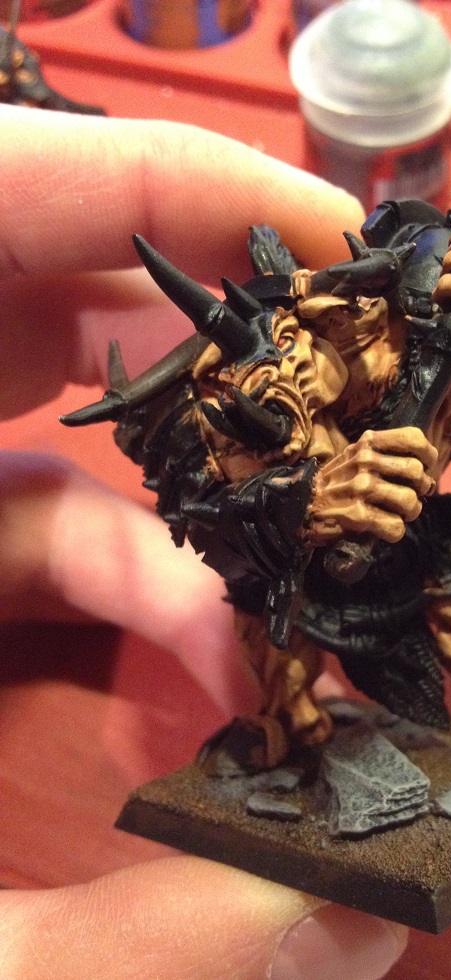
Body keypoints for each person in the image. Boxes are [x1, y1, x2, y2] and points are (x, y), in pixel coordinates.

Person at [0, 104, 409, 980]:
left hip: (360, 558)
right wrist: (302, 501)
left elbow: (412, 378)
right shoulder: (217, 434)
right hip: (272, 564)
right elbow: (219, 515)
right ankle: (289, 733)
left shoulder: (345, 361)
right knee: (271, 645)